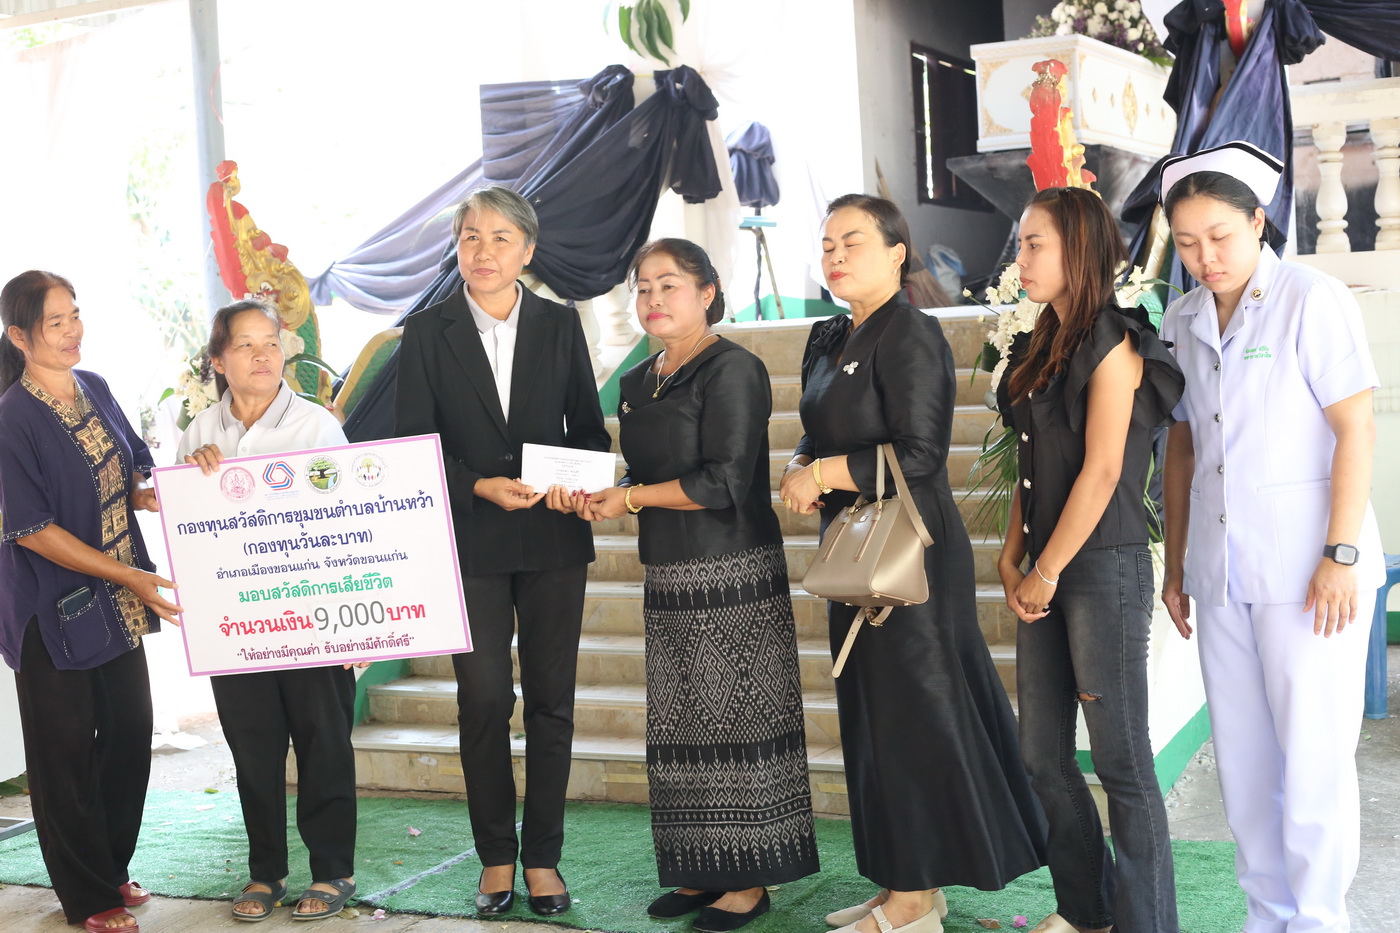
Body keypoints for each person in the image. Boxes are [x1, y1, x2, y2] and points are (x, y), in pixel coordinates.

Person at [780, 195, 1046, 933]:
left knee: (914, 720)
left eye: (853, 242)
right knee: (873, 718)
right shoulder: (828, 334)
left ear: (898, 253)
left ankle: (914, 900)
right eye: (827, 244)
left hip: (909, 556)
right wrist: (801, 464)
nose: (836, 255)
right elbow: (815, 430)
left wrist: (825, 472)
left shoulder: (913, 333)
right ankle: (905, 882)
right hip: (852, 549)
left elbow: (922, 453)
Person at [1159, 141, 1384, 933]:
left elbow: (1355, 428)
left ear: (1259, 222)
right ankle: (1268, 916)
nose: (1206, 257)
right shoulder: (1182, 319)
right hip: (1222, 572)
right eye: (1188, 243)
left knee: (1313, 759)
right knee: (1246, 764)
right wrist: (1178, 563)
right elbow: (1182, 446)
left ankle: (1319, 920)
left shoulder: (1310, 299)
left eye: (1220, 236)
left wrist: (1340, 553)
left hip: (1311, 571)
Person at [578, 238, 818, 932]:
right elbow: (645, 473)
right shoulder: (637, 380)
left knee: (738, 720)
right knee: (680, 722)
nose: (653, 299)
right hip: (669, 571)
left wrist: (631, 498)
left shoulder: (734, 368)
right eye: (643, 287)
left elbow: (724, 481)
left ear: (707, 292)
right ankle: (700, 867)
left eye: (669, 285)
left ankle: (748, 880)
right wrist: (611, 492)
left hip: (733, 571)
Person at [395, 185, 610, 917]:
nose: (482, 252)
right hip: (469, 536)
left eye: (499, 238)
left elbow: (588, 431)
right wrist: (477, 485)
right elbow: (413, 445)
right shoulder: (426, 332)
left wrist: (576, 484)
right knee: (484, 698)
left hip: (553, 537)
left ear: (527, 250)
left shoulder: (559, 324)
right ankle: (495, 856)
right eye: (470, 237)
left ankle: (543, 858)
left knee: (551, 700)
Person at [995, 187, 1184, 933]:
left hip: (1104, 566)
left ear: (1078, 248)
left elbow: (1103, 471)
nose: (1020, 258)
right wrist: (1014, 555)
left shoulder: (1116, 338)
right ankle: (1089, 910)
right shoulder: (1039, 341)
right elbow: (1032, 461)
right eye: (1021, 243)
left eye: (1034, 243)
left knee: (1122, 763)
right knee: (1041, 754)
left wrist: (1044, 571)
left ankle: (1148, 924)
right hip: (1046, 566)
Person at [0, 270, 182, 933]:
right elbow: (32, 529)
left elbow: (129, 469)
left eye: (74, 314)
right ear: (20, 337)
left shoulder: (95, 387)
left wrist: (155, 493)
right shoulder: (12, 417)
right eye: (55, 321)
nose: (72, 329)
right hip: (49, 608)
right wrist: (127, 574)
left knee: (130, 732)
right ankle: (88, 894)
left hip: (116, 594)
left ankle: (111, 863)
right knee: (65, 753)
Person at [174, 299, 358, 922]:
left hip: (313, 621)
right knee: (253, 750)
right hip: (236, 626)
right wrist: (189, 477)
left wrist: (356, 623)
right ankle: (265, 874)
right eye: (245, 345)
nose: (262, 356)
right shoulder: (199, 432)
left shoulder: (315, 426)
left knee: (323, 744)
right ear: (218, 361)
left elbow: (354, 526)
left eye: (271, 343)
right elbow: (186, 528)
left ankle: (332, 870)